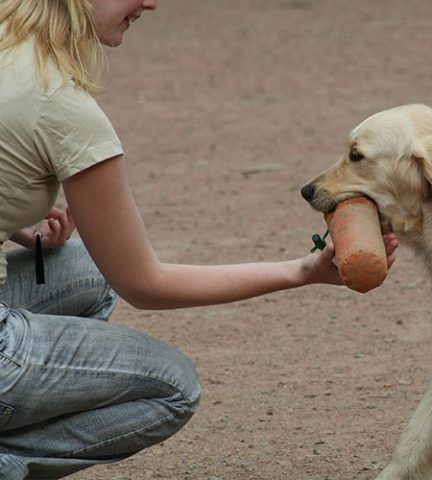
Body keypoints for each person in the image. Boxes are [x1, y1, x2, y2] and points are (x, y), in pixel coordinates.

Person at [0, 1, 399, 478]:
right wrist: (302, 271)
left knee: (89, 271)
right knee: (172, 386)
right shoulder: (62, 107)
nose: (151, 2)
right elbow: (145, 284)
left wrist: (13, 220)